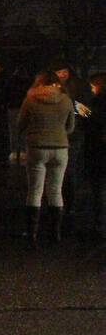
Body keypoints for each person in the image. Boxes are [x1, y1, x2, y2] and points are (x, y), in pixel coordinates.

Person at [17, 70, 75, 247]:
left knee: (35, 190)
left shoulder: (31, 98)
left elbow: (20, 123)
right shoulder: (66, 99)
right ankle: (54, 233)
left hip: (37, 147)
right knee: (56, 190)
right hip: (60, 148)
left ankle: (31, 233)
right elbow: (71, 126)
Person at [51, 61, 93, 233]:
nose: (60, 75)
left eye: (63, 72)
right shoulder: (56, 87)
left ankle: (70, 203)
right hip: (60, 134)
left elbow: (86, 111)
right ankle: (62, 202)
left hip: (73, 134)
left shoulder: (76, 88)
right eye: (57, 72)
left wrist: (71, 109)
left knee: (69, 170)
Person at [85, 73, 106, 242]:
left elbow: (92, 120)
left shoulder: (98, 102)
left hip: (97, 147)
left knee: (97, 186)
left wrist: (80, 109)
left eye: (93, 86)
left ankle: (98, 221)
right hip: (99, 145)